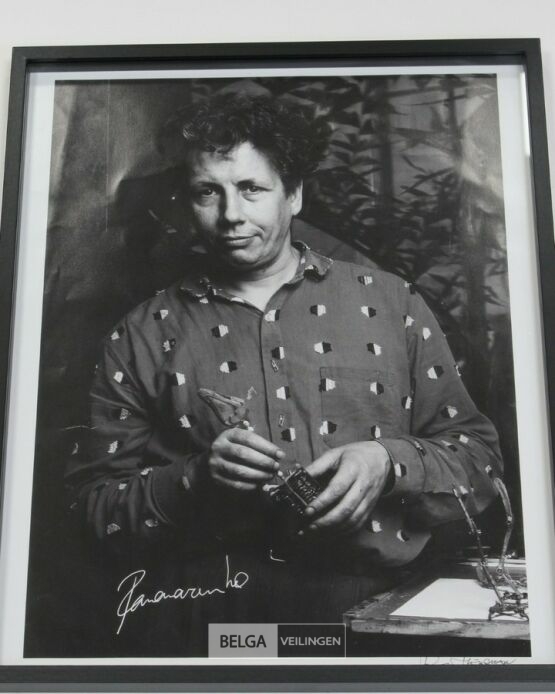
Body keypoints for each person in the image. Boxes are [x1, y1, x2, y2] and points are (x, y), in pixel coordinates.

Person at [65, 92, 503, 654]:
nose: (231, 214)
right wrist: (196, 479)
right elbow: (90, 509)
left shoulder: (392, 304)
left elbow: (480, 461)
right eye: (207, 192)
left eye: (252, 188)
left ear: (294, 195)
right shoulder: (141, 333)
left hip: (380, 613)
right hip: (212, 617)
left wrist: (387, 461)